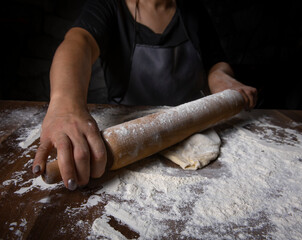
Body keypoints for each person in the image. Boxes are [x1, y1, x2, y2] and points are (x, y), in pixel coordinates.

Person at [32, 0, 257, 190]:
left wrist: (221, 78)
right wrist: (65, 104)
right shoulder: (110, 6)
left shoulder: (192, 8)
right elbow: (78, 43)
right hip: (129, 129)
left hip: (193, 124)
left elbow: (215, 62)